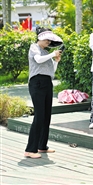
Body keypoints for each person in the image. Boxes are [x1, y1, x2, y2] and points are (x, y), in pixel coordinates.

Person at [24, 26, 63, 158]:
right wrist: (53, 54)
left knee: (46, 115)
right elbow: (38, 60)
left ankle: (42, 146)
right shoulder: (34, 47)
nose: (48, 42)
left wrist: (56, 61)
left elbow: (51, 70)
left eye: (49, 40)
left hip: (47, 82)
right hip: (37, 83)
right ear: (40, 38)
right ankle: (30, 150)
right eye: (46, 39)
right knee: (39, 115)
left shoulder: (46, 52)